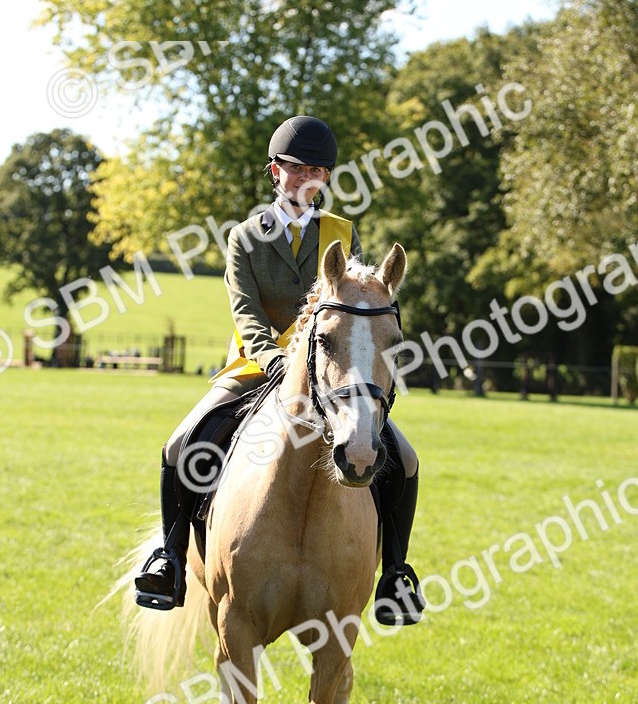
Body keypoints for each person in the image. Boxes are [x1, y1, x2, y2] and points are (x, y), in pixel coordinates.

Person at [135, 115, 423, 625]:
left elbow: (348, 301)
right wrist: (271, 357)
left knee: (404, 457)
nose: (304, 179)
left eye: (316, 170)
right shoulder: (245, 237)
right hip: (255, 362)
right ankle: (171, 559)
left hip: (328, 369)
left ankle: (395, 573)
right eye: (294, 169)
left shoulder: (341, 234)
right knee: (181, 445)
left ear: (327, 178)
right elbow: (246, 310)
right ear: (276, 171)